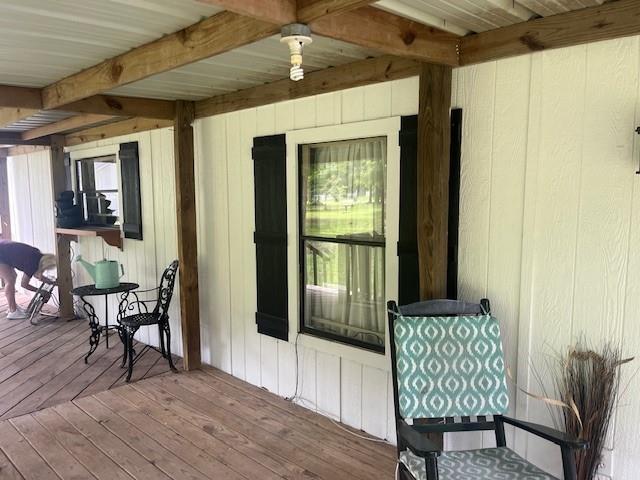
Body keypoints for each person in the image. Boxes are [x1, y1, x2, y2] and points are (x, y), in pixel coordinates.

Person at [0, 241, 57, 320]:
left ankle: (12, 307)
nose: (45, 270)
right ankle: (13, 311)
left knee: (12, 277)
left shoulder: (38, 255)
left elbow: (37, 275)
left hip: (4, 249)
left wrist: (53, 282)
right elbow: (24, 284)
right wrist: (39, 291)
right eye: (47, 268)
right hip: (2, 254)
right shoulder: (33, 263)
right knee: (9, 280)